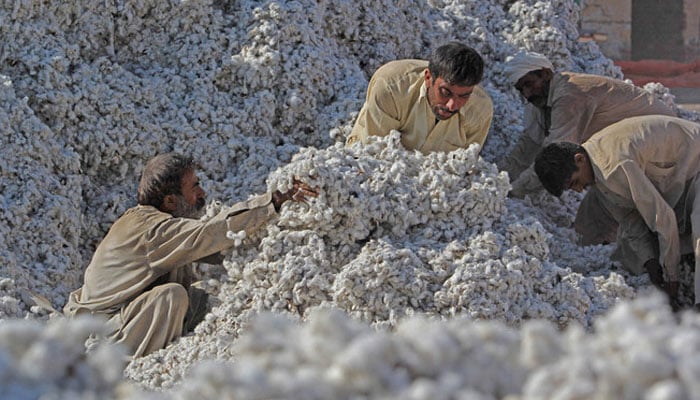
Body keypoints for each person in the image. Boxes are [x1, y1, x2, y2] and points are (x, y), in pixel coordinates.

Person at [64, 153, 317, 357]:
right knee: (171, 296)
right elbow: (210, 234)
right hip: (103, 332)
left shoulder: (149, 220)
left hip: (122, 317)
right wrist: (272, 202)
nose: (202, 193)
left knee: (205, 297)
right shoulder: (156, 230)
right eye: (194, 186)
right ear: (171, 201)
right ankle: (133, 365)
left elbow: (213, 249)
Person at [498, 51, 676, 245]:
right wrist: (498, 182)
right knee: (596, 218)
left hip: (659, 143)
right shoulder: (542, 101)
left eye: (529, 84)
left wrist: (515, 191)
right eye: (521, 89)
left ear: (546, 73)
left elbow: (555, 156)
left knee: (601, 215)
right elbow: (527, 148)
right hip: (629, 146)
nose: (527, 93)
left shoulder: (570, 95)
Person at [533, 115, 700, 310]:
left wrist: (672, 279)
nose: (579, 190)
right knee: (628, 250)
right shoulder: (596, 169)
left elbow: (662, 218)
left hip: (695, 165)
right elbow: (631, 220)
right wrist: (651, 263)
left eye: (574, 182)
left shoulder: (612, 167)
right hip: (680, 181)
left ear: (579, 160)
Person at [346, 41, 493, 154]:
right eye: (445, 93)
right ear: (428, 77)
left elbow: (464, 165)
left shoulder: (480, 111)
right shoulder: (392, 88)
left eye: (464, 96)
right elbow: (370, 152)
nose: (452, 105)